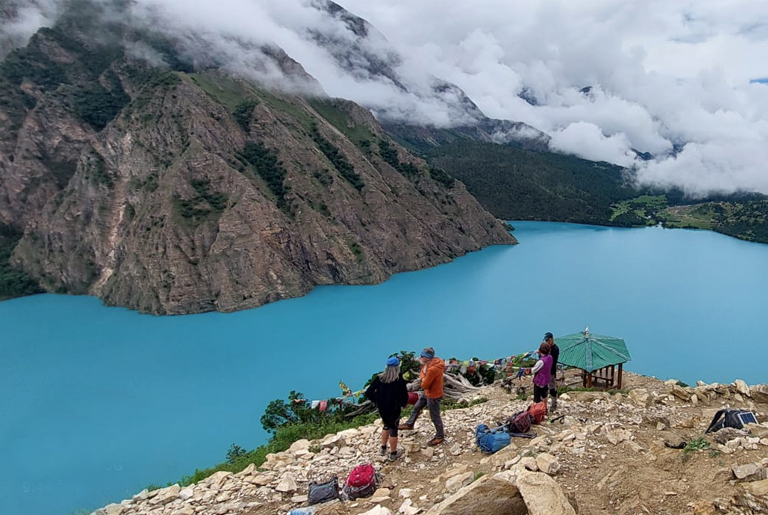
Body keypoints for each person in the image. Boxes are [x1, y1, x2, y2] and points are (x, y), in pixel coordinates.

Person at [365, 356, 409, 461]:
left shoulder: (379, 379)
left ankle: (383, 448)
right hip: (394, 408)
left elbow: (368, 392)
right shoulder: (399, 380)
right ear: (397, 367)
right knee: (393, 428)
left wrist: (377, 401)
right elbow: (404, 395)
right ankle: (393, 453)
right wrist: (403, 404)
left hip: (382, 408)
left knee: (386, 425)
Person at [399, 347, 445, 446]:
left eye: (422, 356)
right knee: (417, 407)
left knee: (435, 416)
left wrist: (423, 379)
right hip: (427, 392)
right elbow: (422, 375)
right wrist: (423, 378)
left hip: (433, 394)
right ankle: (410, 424)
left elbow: (424, 385)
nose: (420, 357)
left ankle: (440, 436)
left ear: (427, 358)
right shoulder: (432, 363)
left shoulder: (432, 369)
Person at [544, 332, 560, 411]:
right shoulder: (546, 348)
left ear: (552, 339)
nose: (547, 342)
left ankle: (554, 405)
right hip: (545, 372)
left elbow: (552, 360)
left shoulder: (555, 349)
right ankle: (544, 406)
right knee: (544, 389)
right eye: (546, 340)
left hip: (551, 372)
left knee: (552, 388)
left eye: (548, 340)